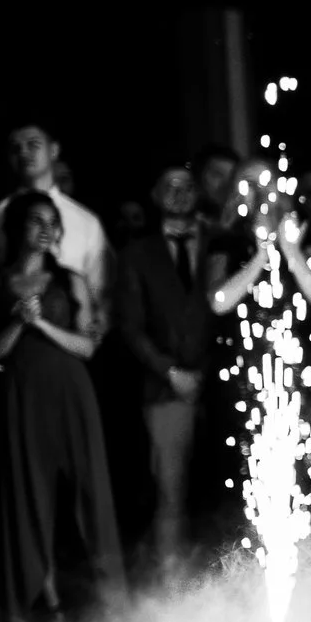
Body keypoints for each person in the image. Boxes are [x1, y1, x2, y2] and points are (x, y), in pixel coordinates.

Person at [0, 193, 125, 622]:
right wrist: (18, 323)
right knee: (27, 497)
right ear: (17, 227)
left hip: (71, 394)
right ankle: (41, 601)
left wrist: (40, 323)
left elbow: (88, 346)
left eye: (52, 222)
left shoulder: (71, 280)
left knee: (90, 492)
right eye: (35, 220)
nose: (45, 228)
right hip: (19, 397)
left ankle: (109, 603)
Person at [113, 166, 216, 577]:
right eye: (170, 185)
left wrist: (207, 372)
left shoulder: (218, 244)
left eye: (188, 185)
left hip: (220, 382)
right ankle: (173, 584)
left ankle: (223, 577)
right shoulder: (137, 254)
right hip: (165, 387)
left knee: (218, 484)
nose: (180, 193)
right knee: (170, 489)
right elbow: (130, 327)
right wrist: (171, 371)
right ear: (155, 194)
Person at [0, 125, 112, 337]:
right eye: (15, 148)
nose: (23, 153)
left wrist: (97, 329)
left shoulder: (85, 222)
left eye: (33, 145)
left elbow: (102, 293)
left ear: (53, 150)